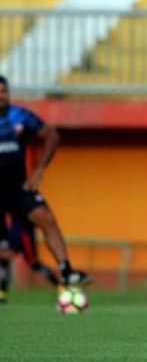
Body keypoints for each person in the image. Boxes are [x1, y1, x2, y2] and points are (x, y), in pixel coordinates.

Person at [0, 75, 90, 304]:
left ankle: (67, 271)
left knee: (45, 216)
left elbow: (51, 135)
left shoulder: (20, 116)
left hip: (19, 186)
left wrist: (39, 169)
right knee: (6, 251)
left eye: (4, 91)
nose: (1, 96)